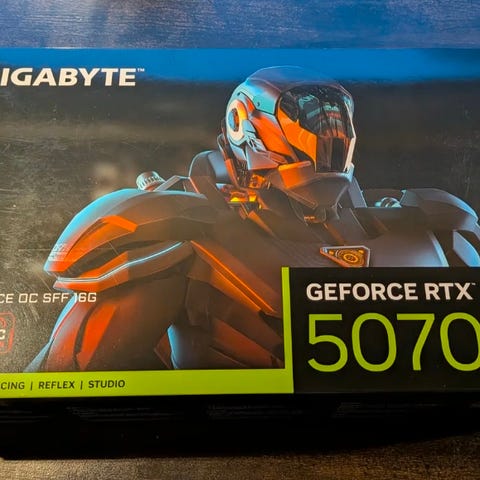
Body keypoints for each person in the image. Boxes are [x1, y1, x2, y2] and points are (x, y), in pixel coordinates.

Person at [26, 66, 480, 372]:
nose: (328, 130)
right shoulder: (176, 231)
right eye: (311, 116)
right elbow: (58, 384)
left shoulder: (435, 225)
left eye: (335, 118)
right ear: (245, 122)